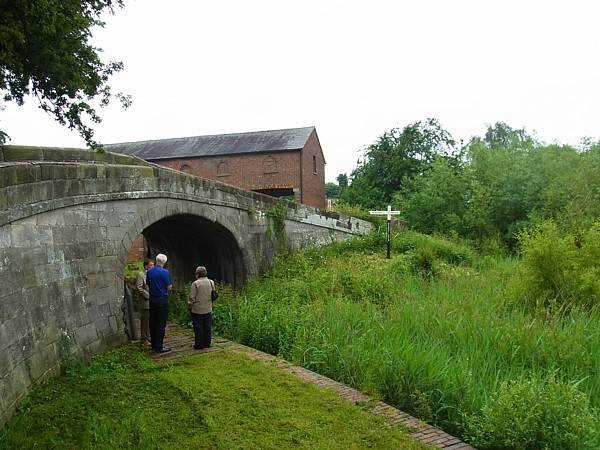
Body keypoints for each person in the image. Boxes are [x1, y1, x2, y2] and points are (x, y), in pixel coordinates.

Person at [146, 253, 173, 353]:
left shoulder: (149, 271)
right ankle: (159, 346)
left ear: (156, 260)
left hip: (152, 299)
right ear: (164, 262)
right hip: (162, 299)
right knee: (161, 323)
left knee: (153, 321)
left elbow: (148, 283)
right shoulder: (165, 272)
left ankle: (153, 344)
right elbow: (169, 286)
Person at [188, 266, 215, 350]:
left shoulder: (196, 283)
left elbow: (192, 297)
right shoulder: (211, 282)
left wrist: (189, 306)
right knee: (207, 327)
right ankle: (207, 343)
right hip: (208, 308)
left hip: (197, 310)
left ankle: (199, 345)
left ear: (197, 274)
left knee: (198, 328)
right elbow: (213, 294)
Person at [136, 258, 154, 346]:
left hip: (152, 301)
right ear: (146, 266)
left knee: (150, 320)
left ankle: (149, 336)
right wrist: (148, 296)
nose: (152, 267)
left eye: (153, 265)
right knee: (145, 320)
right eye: (151, 265)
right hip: (145, 301)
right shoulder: (141, 274)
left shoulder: (152, 274)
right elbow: (139, 287)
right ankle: (144, 339)